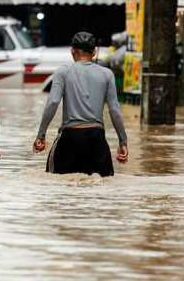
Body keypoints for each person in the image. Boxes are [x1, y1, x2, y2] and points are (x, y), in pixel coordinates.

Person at [33, 31, 128, 177]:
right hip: (97, 140)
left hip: (68, 138)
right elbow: (114, 110)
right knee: (101, 188)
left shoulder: (62, 72)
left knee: (55, 183)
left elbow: (52, 103)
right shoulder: (107, 74)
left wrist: (41, 135)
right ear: (94, 52)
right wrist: (123, 142)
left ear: (72, 51)